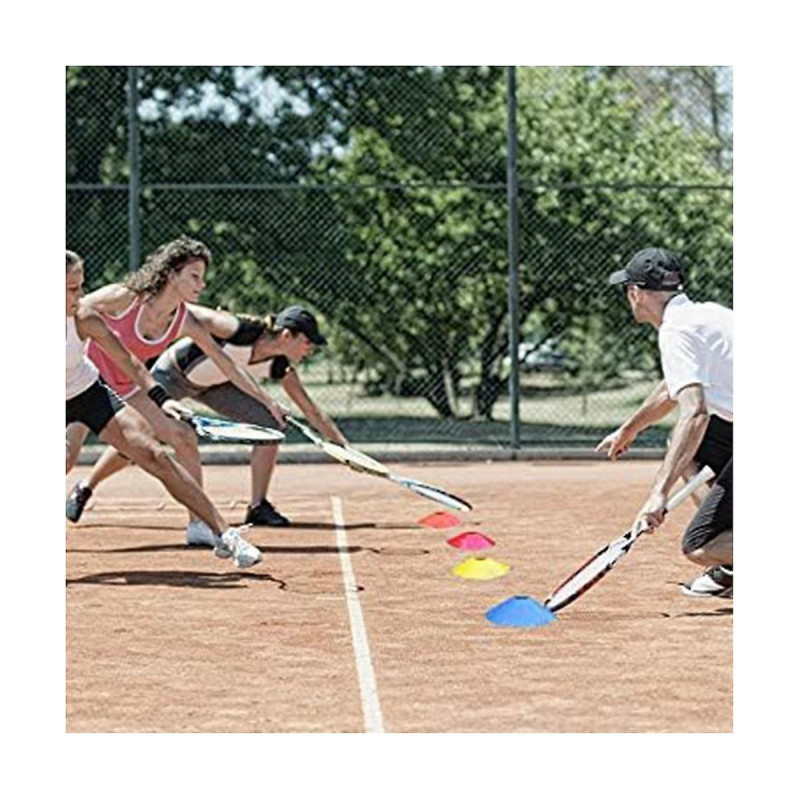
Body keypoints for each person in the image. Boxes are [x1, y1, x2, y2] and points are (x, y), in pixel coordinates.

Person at [65, 235, 286, 547]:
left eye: (202, 278)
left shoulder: (185, 320)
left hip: (130, 388)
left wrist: (267, 400)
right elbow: (73, 308)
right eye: (194, 276)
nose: (201, 285)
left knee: (182, 437)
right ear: (171, 274)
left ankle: (198, 525)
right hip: (84, 385)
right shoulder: (124, 298)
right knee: (66, 458)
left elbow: (227, 364)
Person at [72, 304, 347, 539]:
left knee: (271, 426)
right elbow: (187, 312)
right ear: (287, 335)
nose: (310, 349)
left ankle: (258, 505)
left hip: (216, 386)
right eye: (308, 342)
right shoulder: (238, 330)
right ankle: (85, 488)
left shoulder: (281, 367)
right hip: (174, 374)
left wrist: (344, 448)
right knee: (141, 436)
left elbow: (310, 410)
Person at [596, 248, 733, 598]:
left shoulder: (675, 331)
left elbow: (695, 412)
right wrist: (630, 428)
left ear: (635, 293)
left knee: (700, 547)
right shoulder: (707, 315)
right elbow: (671, 389)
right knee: (684, 448)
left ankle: (731, 553)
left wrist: (658, 494)